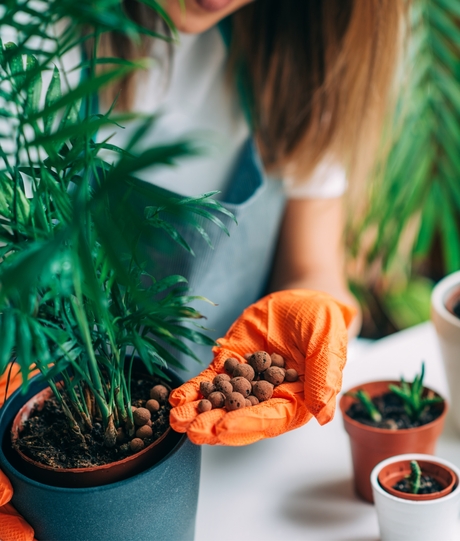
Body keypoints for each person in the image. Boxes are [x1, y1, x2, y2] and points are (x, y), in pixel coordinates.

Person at [0, 1, 406, 538]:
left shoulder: (304, 52)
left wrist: (317, 313)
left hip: (244, 474)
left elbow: (312, 263)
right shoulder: (25, 41)